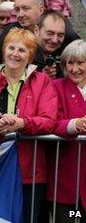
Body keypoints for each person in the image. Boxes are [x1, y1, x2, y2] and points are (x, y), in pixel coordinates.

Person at [0, 27, 58, 223]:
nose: (15, 54)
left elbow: (50, 122)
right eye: (11, 48)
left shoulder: (42, 82)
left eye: (22, 50)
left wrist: (22, 124)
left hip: (30, 174)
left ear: (30, 56)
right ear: (4, 50)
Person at [48, 39, 86, 221]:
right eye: (70, 63)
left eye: (80, 63)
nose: (75, 69)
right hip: (67, 178)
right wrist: (74, 125)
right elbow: (50, 122)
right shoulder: (56, 87)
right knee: (71, 218)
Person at [33, 10, 66, 79]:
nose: (55, 40)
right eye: (50, 33)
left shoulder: (62, 57)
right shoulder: (23, 55)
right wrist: (41, 79)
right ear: (36, 31)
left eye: (60, 35)